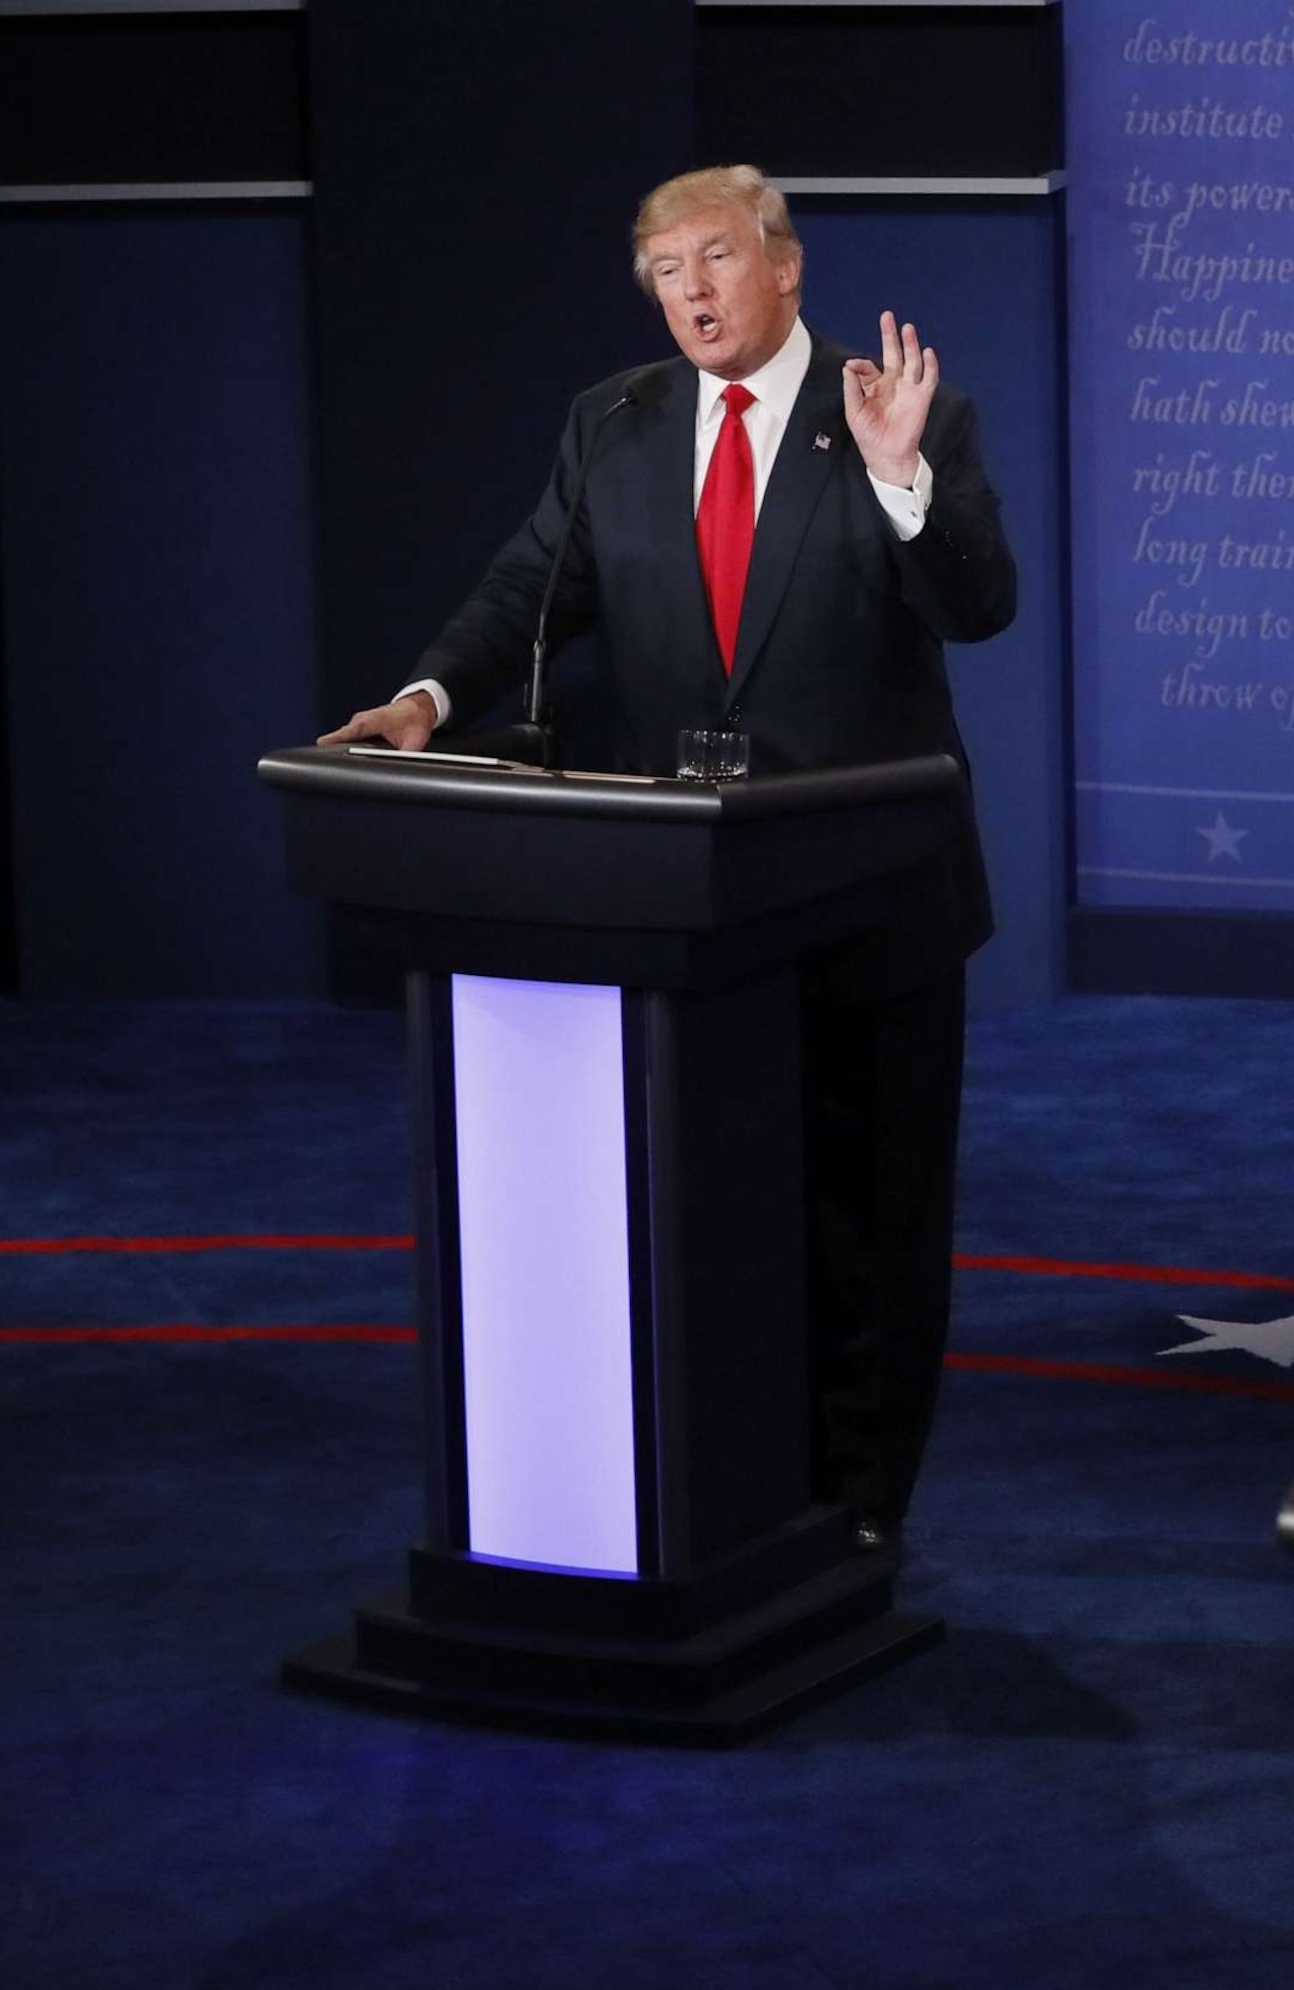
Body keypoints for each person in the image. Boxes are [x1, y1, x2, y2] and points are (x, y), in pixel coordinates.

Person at [320, 164, 1019, 1554]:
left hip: (870, 901)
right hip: (685, 910)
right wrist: (425, 702)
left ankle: (864, 1511)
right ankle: (732, 1495)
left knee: (872, 1227)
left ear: (785, 264)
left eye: (714, 260)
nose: (692, 294)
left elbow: (980, 606)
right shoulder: (617, 426)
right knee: (718, 1223)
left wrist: (901, 483)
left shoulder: (893, 415)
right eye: (666, 274)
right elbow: (532, 590)